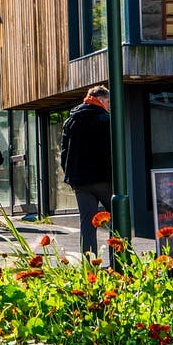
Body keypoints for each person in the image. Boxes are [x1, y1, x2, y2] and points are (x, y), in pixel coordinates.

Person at [61, 85, 112, 257]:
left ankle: (89, 264)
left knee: (87, 223)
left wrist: (70, 176)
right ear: (102, 100)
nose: (109, 105)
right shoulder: (106, 119)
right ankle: (120, 261)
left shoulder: (71, 120)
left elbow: (64, 152)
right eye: (108, 102)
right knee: (118, 219)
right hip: (104, 178)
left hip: (81, 181)